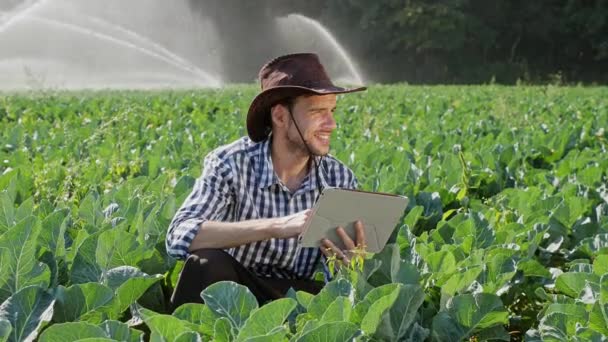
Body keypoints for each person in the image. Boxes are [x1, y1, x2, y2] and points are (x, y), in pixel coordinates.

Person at [166, 53, 367, 310]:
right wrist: (277, 226)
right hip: (232, 293)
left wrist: (348, 265)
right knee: (204, 263)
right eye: (318, 111)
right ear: (281, 117)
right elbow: (179, 235)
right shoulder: (230, 163)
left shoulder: (339, 178)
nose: (332, 124)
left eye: (332, 111)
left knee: (341, 302)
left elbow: (338, 283)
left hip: (294, 298)